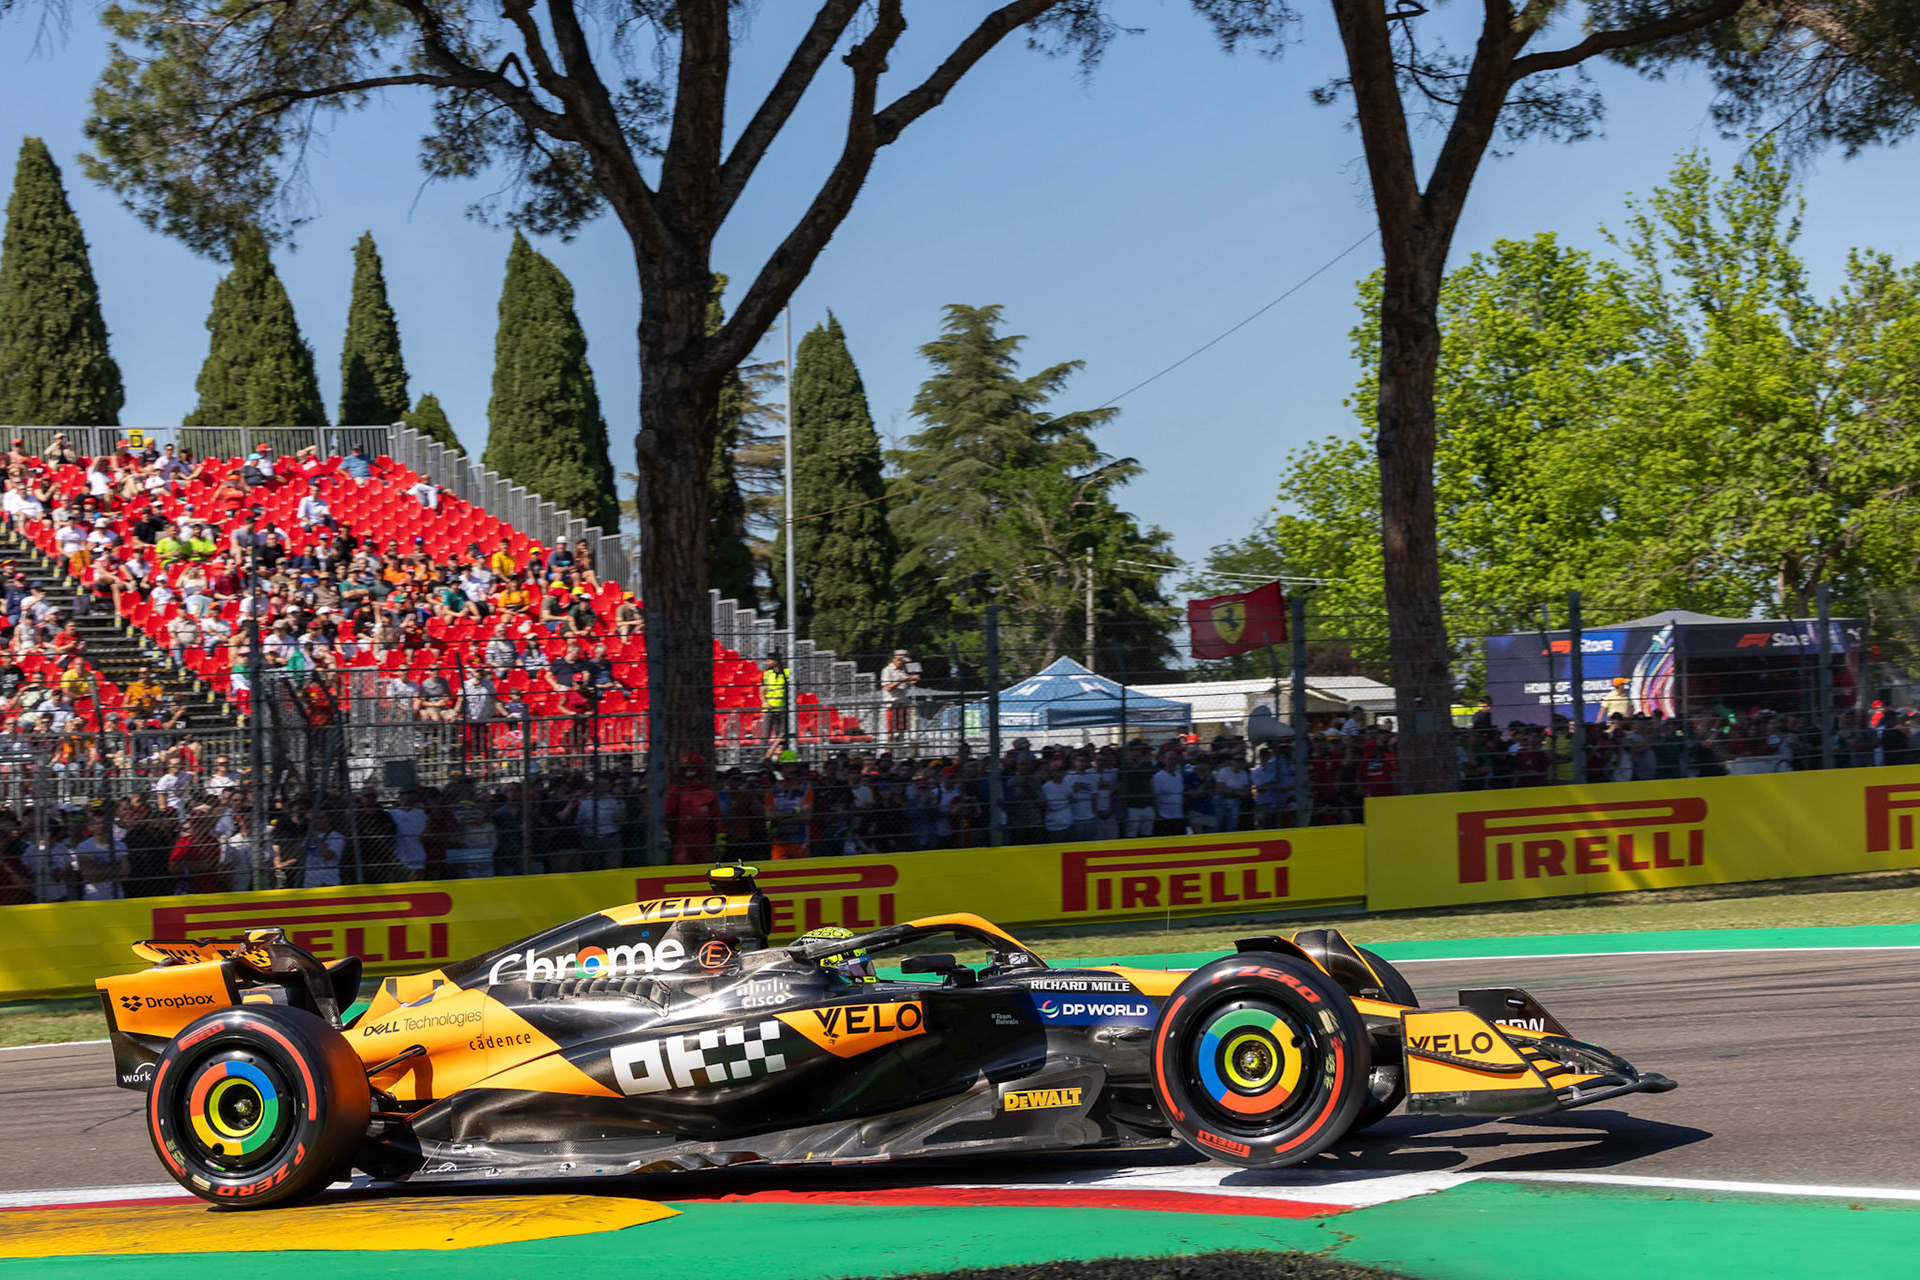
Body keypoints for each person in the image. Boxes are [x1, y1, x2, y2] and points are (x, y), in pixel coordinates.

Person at [387, 790, 429, 878]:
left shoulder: (421, 813)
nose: (408, 797)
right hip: (401, 859)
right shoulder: (392, 814)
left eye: (411, 794)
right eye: (405, 794)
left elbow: (427, 830)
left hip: (419, 857)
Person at [881, 650, 919, 740]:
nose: (905, 664)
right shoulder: (887, 670)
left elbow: (906, 686)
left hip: (902, 702)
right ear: (897, 660)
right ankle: (888, 751)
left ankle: (900, 747)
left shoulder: (904, 671)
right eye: (903, 662)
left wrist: (911, 681)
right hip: (891, 704)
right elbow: (888, 687)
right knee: (890, 729)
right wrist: (900, 680)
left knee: (902, 729)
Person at [1151, 753, 1187, 837]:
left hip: (1179, 816)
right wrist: (1157, 814)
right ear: (1164, 760)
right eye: (1170, 759)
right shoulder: (1158, 777)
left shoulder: (1179, 776)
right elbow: (1154, 797)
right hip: (1164, 817)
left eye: (1175, 759)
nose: (1173, 761)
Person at [759, 654, 789, 744]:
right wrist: (765, 703)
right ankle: (763, 755)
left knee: (782, 736)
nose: (767, 663)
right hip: (769, 709)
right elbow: (761, 691)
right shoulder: (767, 674)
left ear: (776, 661)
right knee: (765, 736)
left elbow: (795, 690)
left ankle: (780, 755)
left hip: (782, 709)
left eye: (769, 661)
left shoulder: (788, 673)